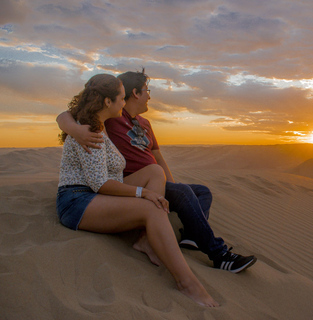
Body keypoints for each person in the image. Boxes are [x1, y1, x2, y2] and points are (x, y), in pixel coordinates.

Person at [56, 69, 257, 274]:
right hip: (131, 181)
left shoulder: (145, 124)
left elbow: (158, 157)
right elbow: (67, 115)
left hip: (154, 179)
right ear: (135, 93)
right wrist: (74, 129)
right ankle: (220, 255)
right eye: (147, 90)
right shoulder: (115, 115)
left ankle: (190, 235)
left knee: (201, 191)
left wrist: (171, 184)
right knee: (183, 194)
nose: (150, 96)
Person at [56, 74, 219, 307]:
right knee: (151, 208)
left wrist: (150, 191)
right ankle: (188, 284)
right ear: (107, 102)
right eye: (121, 99)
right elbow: (99, 184)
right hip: (77, 201)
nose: (123, 104)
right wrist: (143, 194)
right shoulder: (91, 132)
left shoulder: (100, 126)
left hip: (97, 194)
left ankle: (147, 239)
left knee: (154, 171)